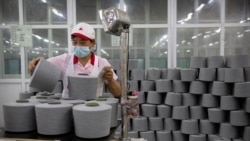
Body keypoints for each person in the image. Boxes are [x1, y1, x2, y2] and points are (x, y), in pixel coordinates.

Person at [28, 22, 121, 98]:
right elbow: (39, 69)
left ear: (93, 43)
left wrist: (110, 80)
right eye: (75, 42)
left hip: (93, 110)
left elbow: (117, 93)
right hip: (69, 110)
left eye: (83, 43)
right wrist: (36, 64)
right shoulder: (64, 60)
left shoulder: (102, 63)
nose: (78, 46)